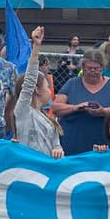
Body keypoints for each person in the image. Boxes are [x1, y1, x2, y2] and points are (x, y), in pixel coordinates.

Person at [53, 49, 110, 155]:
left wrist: (104, 111)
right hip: (73, 139)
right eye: (89, 68)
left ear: (102, 68)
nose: (92, 71)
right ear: (83, 67)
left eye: (96, 68)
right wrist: (76, 108)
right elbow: (56, 107)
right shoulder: (72, 83)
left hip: (102, 141)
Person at [13, 26, 64, 159]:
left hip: (46, 169)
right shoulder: (23, 112)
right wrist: (36, 46)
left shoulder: (48, 117)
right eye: (47, 87)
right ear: (36, 90)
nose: (50, 91)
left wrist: (58, 150)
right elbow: (30, 80)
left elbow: (56, 145)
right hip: (29, 168)